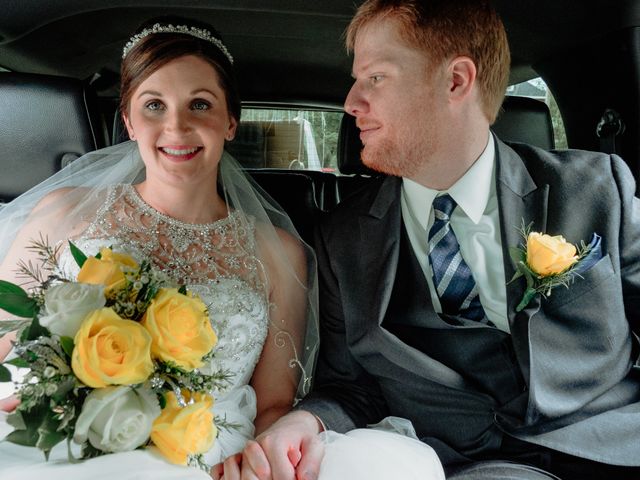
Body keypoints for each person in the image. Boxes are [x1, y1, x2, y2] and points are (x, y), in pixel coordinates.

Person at [233, 1, 640, 479]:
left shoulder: (597, 187)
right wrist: (305, 420)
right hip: (474, 464)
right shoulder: (341, 238)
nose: (351, 103)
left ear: (456, 81)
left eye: (375, 78)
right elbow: (351, 388)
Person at [0, 17, 320, 480]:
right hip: (50, 437)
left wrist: (257, 461)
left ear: (231, 122)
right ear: (129, 121)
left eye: (200, 105)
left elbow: (274, 403)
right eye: (154, 105)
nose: (176, 126)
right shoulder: (65, 213)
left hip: (202, 455)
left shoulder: (278, 253)